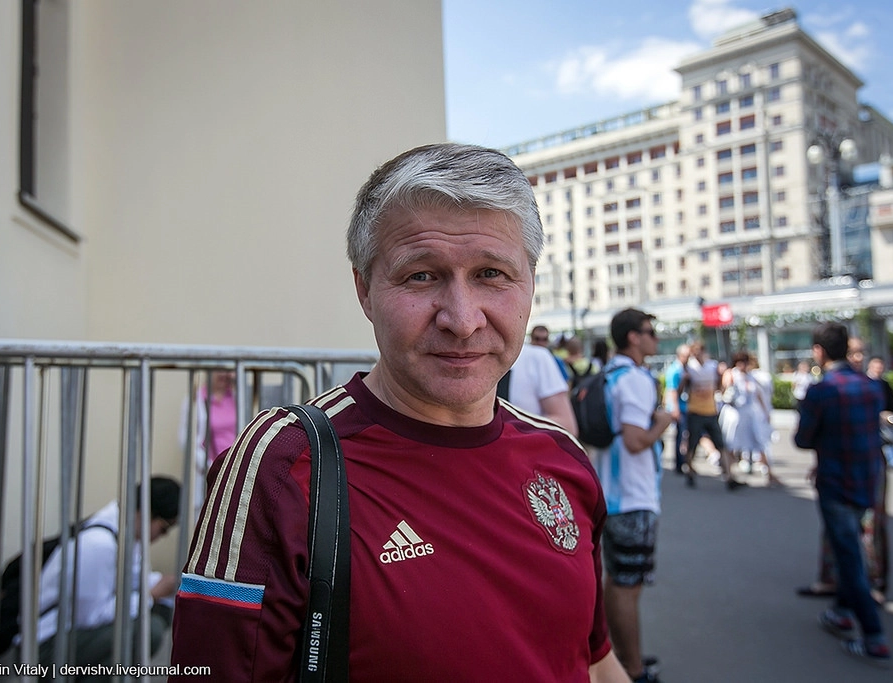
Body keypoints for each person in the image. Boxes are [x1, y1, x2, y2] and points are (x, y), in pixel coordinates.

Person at [169, 143, 631, 681]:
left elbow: (593, 660)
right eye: (421, 276)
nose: (462, 320)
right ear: (364, 291)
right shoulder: (284, 466)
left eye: (491, 274)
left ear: (530, 283)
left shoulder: (562, 460)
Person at [794, 323, 891, 664]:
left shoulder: (821, 391)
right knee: (848, 547)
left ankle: (874, 636)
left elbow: (803, 439)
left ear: (819, 351)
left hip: (835, 482)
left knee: (848, 556)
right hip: (866, 480)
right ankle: (841, 611)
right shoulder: (871, 386)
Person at [593, 308, 674, 683]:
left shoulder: (611, 373)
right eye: (650, 331)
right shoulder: (636, 379)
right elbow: (635, 440)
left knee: (616, 582)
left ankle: (623, 658)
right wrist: (663, 423)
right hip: (633, 496)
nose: (655, 338)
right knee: (628, 586)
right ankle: (633, 668)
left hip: (611, 493)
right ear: (633, 337)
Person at [37, 476, 181, 678]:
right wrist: (151, 595)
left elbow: (133, 579)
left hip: (74, 629)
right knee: (148, 631)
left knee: (161, 612)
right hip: (47, 646)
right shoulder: (100, 545)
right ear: (146, 513)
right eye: (164, 528)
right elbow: (90, 616)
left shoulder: (124, 535)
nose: (163, 536)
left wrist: (166, 584)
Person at [680, 341, 744, 490]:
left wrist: (721, 377)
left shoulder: (712, 367)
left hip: (711, 411)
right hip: (695, 411)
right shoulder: (689, 368)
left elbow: (719, 387)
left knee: (720, 444)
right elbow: (681, 388)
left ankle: (729, 477)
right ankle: (689, 471)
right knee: (692, 444)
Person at [719, 351, 782, 487]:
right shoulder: (732, 374)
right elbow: (724, 390)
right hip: (734, 414)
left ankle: (769, 474)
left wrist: (765, 411)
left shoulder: (750, 376)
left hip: (749, 414)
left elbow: (757, 394)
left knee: (759, 442)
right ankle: (729, 474)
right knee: (731, 444)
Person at [177, 370, 238, 505]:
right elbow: (185, 441)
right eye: (218, 369)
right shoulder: (195, 400)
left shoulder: (237, 398)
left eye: (227, 370)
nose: (223, 374)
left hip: (235, 470)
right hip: (208, 470)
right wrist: (209, 466)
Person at [507, 338, 579, 435]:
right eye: (537, 338)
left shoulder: (538, 358)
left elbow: (567, 425)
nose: (541, 343)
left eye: (544, 339)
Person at [867, 356, 893, 470]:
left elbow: (892, 403)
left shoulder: (884, 384)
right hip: (870, 418)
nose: (878, 370)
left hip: (884, 419)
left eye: (880, 368)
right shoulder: (864, 383)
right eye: (876, 367)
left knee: (889, 439)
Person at [664, 344, 690, 475]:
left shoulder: (686, 369)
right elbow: (672, 391)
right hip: (679, 406)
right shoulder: (674, 370)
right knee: (681, 435)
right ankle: (679, 463)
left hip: (686, 405)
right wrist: (675, 408)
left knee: (684, 435)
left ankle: (684, 461)